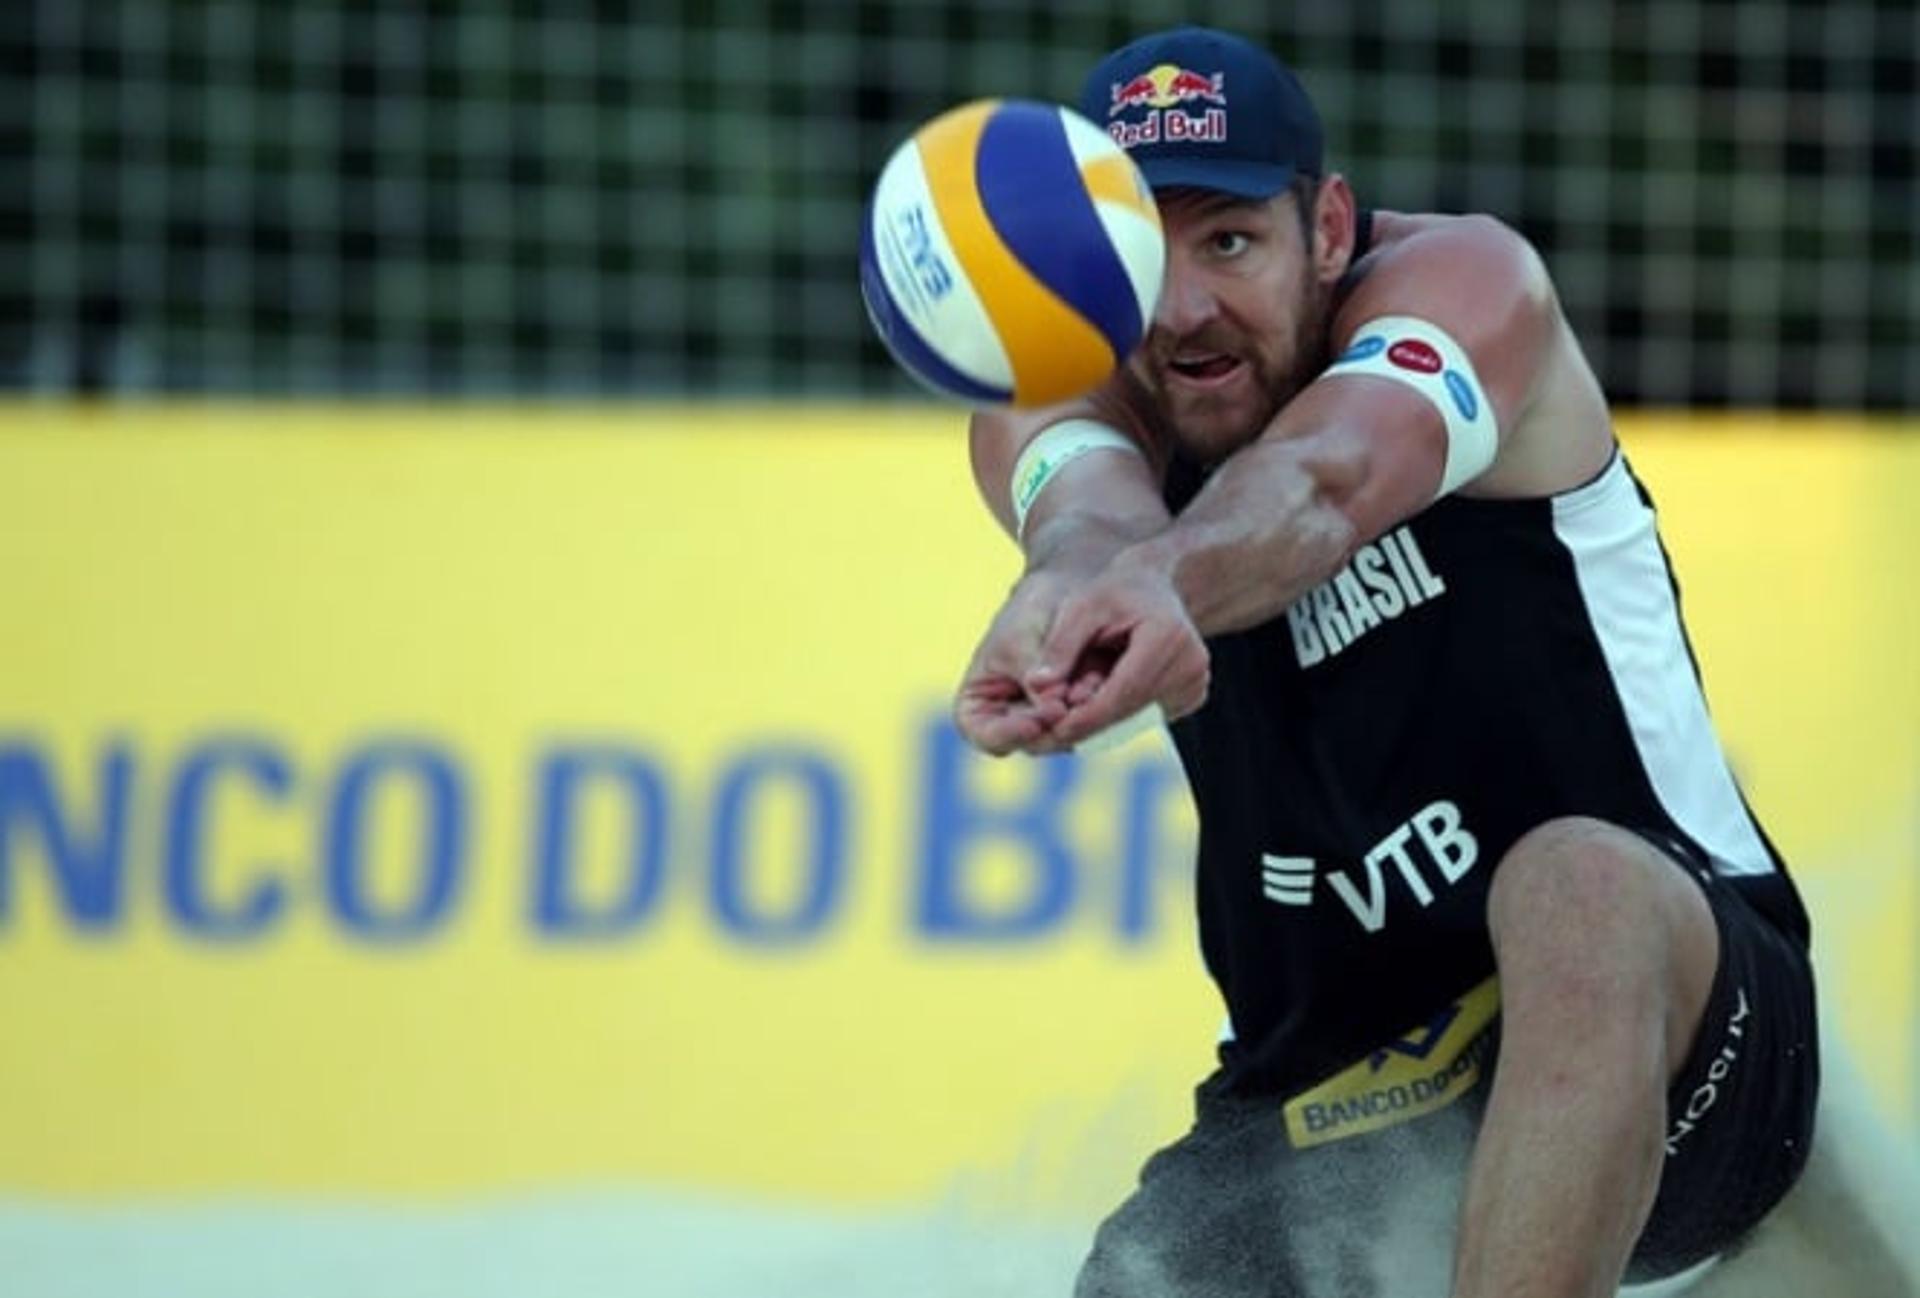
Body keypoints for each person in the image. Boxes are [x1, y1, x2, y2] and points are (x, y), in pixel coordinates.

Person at [952, 25, 1820, 1298]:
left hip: (1690, 1037)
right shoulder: (1060, 378)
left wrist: (1153, 584)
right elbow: (1091, 513)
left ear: (1330, 228)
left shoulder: (1472, 286)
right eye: (1144, 250)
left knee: (1581, 886)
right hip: (1337, 1085)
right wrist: (1071, 584)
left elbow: (1329, 477)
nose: (1184, 305)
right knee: (1139, 1278)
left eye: (1230, 241)